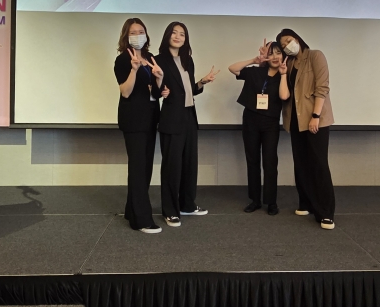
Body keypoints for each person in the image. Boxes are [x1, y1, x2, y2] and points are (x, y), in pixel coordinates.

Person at [155, 22, 219, 227]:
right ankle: (170, 210)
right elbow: (156, 90)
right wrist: (161, 89)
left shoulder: (187, 60)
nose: (178, 36)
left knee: (190, 164)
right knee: (172, 167)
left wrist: (202, 82)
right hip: (171, 118)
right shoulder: (158, 60)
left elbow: (189, 89)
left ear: (186, 39)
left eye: (182, 34)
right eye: (174, 33)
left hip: (190, 116)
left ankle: (187, 205)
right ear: (167, 36)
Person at [276, 28, 336, 230]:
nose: (287, 46)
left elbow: (322, 87)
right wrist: (282, 73)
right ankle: (306, 202)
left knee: (318, 164)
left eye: (289, 40)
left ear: (297, 38)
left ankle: (326, 212)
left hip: (315, 119)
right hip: (295, 120)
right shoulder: (288, 63)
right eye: (283, 45)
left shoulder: (315, 56)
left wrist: (316, 116)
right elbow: (285, 95)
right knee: (301, 163)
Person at [113, 18, 168, 234]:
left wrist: (160, 80)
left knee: (145, 168)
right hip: (133, 120)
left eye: (141, 31)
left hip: (151, 118)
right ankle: (142, 220)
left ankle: (132, 210)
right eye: (133, 32)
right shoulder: (123, 60)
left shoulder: (151, 58)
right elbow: (126, 92)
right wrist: (134, 70)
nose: (138, 35)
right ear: (126, 36)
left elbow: (155, 93)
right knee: (138, 168)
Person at [228, 41, 290, 216]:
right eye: (271, 53)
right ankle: (255, 200)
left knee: (270, 162)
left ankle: (271, 201)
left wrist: (283, 74)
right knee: (252, 160)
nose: (275, 57)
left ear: (283, 56)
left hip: (270, 123)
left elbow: (284, 95)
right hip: (251, 120)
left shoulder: (285, 74)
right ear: (266, 56)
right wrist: (254, 60)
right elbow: (232, 68)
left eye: (278, 53)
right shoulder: (256, 71)